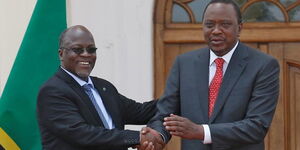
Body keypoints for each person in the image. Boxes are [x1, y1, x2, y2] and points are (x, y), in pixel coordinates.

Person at [142, 0, 280, 150]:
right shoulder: (184, 63)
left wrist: (201, 131)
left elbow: (256, 127)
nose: (216, 30)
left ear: (239, 28)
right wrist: (157, 136)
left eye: (225, 25)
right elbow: (165, 114)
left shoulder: (263, 65)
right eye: (209, 25)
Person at [37, 25, 159, 150]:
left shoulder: (104, 87)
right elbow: (82, 134)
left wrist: (175, 97)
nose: (86, 54)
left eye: (91, 50)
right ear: (61, 54)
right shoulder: (52, 91)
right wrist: (136, 138)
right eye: (77, 49)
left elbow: (141, 112)